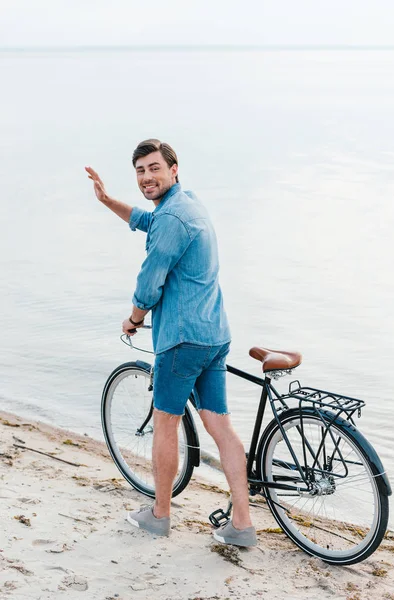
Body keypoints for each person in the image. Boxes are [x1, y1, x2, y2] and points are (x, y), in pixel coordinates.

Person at [85, 139, 256, 547]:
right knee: (220, 425)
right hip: (214, 334)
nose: (147, 177)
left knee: (165, 423)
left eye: (154, 168)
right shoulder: (187, 204)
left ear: (174, 169)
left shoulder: (172, 219)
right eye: (141, 171)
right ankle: (243, 525)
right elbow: (148, 220)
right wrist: (108, 200)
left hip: (181, 339)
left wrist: (133, 319)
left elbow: (149, 283)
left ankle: (159, 515)